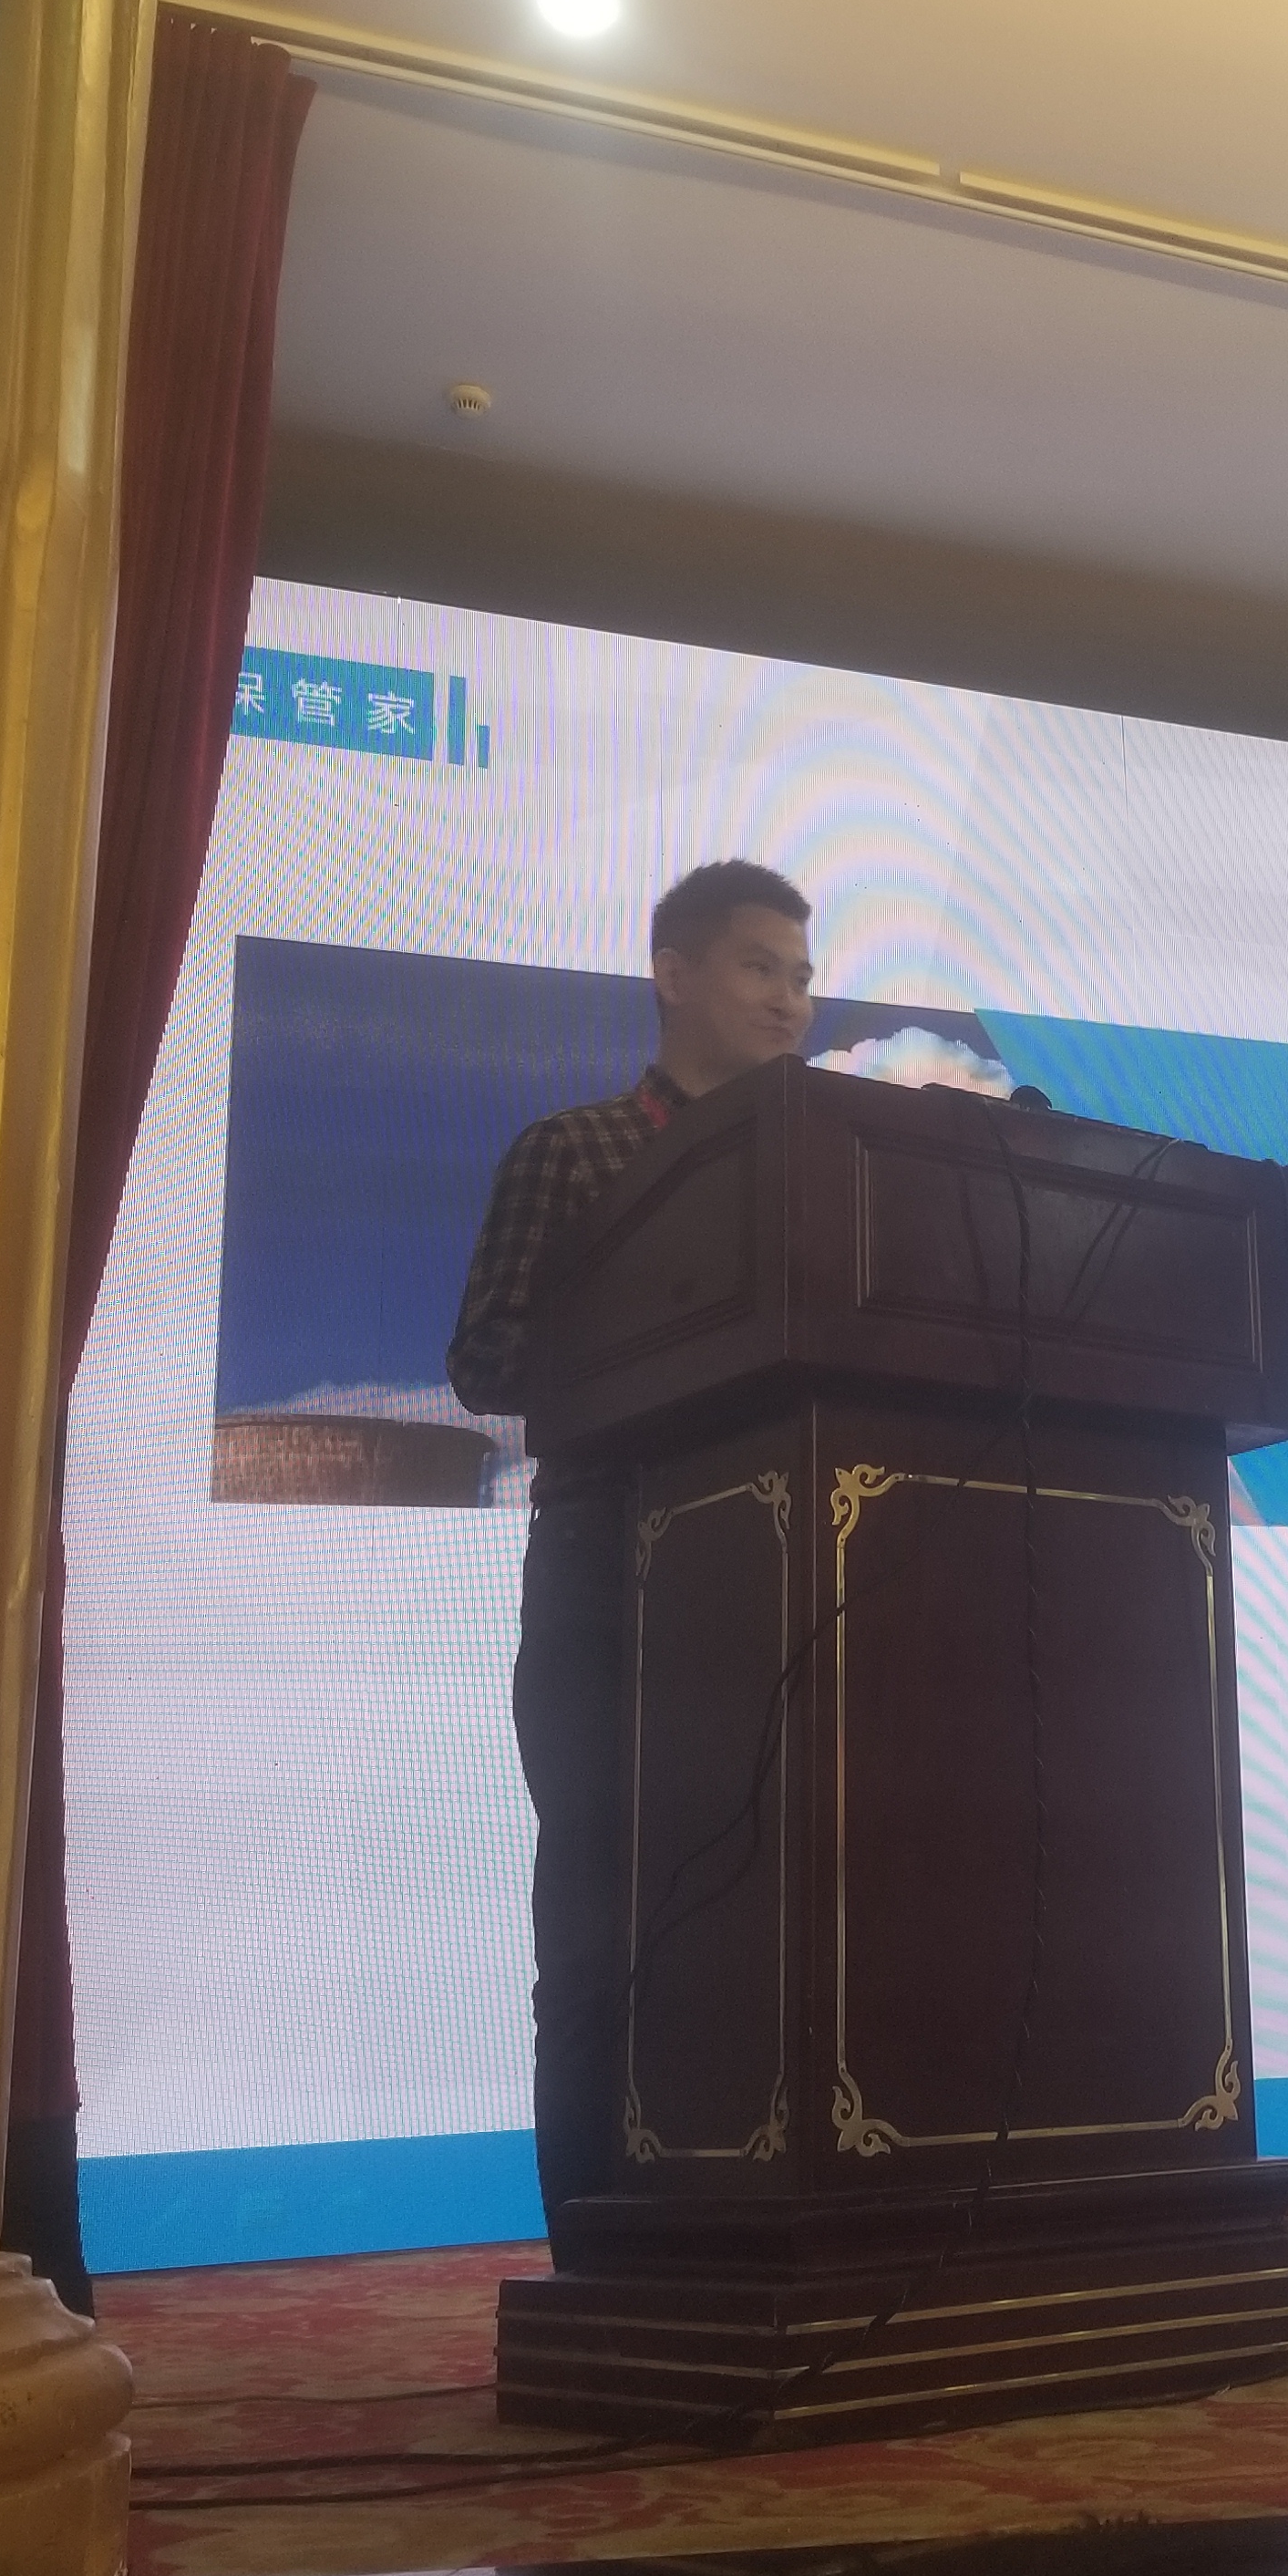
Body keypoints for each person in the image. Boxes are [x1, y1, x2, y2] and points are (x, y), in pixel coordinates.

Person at [448, 858, 815, 2219]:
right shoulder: (577, 1152)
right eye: (759, 966)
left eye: (802, 977)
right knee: (602, 1923)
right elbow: (486, 1361)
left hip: (783, 1590)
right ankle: (596, 2254)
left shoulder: (824, 1173)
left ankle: (754, 2230)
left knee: (777, 1916)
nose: (789, 1000)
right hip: (611, 1575)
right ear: (672, 975)